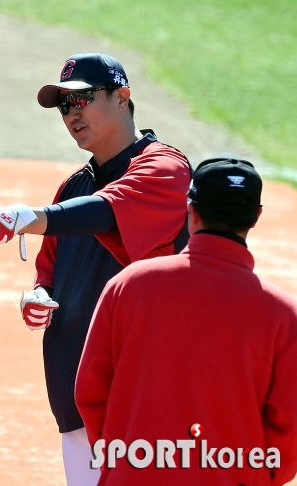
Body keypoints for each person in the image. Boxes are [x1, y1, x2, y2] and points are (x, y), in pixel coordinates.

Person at [0, 52, 191, 484]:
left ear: (122, 97)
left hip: (140, 389)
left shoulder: (163, 167)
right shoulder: (74, 185)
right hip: (75, 386)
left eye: (82, 99)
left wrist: (23, 217)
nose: (71, 114)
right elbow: (49, 270)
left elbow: (105, 210)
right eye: (64, 105)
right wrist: (38, 297)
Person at [76, 156, 297, 485]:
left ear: (190, 210)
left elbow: (91, 391)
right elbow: (288, 425)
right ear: (255, 218)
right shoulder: (283, 313)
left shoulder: (128, 285)